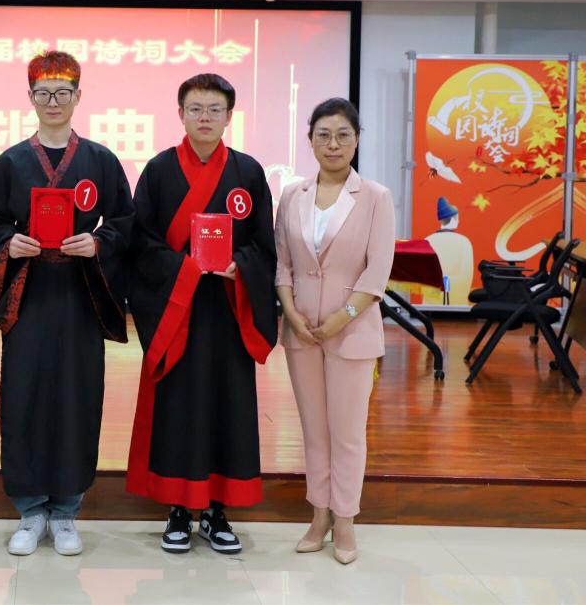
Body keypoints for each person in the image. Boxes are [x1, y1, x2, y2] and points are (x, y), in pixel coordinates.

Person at [0, 51, 134, 557]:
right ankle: (29, 510)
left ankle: (66, 511)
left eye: (62, 93)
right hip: (28, 299)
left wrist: (97, 242)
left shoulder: (100, 160)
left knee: (77, 396)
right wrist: (10, 244)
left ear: (78, 97)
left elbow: (125, 222)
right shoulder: (11, 162)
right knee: (22, 395)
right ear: (30, 98)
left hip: (79, 297)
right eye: (43, 93)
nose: (53, 102)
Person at [126, 74, 277, 554]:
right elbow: (140, 243)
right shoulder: (158, 170)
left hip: (230, 310)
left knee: (226, 407)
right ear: (181, 114)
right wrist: (184, 269)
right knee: (178, 406)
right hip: (177, 311)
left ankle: (217, 511)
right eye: (195, 109)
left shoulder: (248, 172)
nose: (205, 118)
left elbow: (264, 245)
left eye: (214, 109)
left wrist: (241, 266)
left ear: (229, 116)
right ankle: (177, 509)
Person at [274, 97, 395, 565]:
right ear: (310, 140)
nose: (333, 144)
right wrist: (292, 314)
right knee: (314, 431)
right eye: (323, 135)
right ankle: (318, 515)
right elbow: (283, 264)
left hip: (351, 331)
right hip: (301, 331)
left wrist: (340, 317)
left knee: (347, 433)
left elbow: (377, 272)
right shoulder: (293, 195)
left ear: (357, 140)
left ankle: (345, 520)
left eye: (343, 135)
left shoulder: (376, 197)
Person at [424, 196, 473, 306]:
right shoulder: (464, 242)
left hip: (429, 306)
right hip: (458, 306)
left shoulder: (427, 241)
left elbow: (424, 277)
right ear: (453, 219)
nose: (459, 221)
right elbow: (466, 278)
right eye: (457, 218)